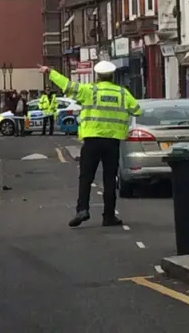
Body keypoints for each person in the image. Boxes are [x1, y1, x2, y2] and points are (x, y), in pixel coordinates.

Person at [38, 61, 142, 228]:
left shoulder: (89, 90)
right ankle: (108, 217)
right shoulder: (122, 93)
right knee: (109, 179)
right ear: (112, 75)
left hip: (91, 141)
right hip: (112, 142)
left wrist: (49, 71)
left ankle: (82, 210)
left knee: (86, 177)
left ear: (97, 76)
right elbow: (138, 110)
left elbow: (67, 84)